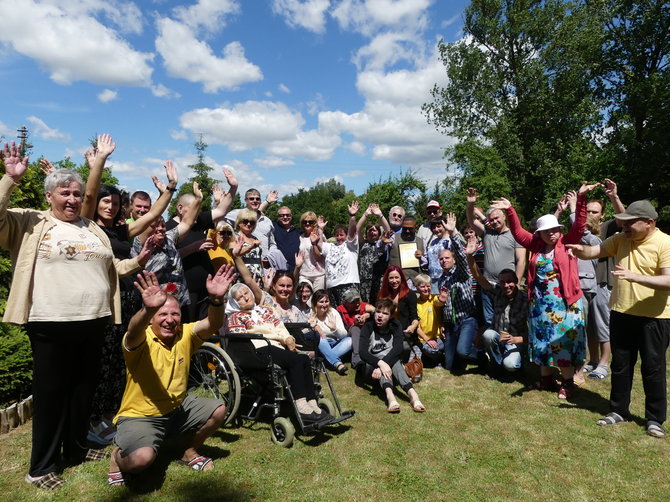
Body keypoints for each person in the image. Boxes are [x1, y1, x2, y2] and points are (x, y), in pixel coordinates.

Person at [0, 142, 139, 490]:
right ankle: (41, 466)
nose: (74, 200)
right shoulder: (30, 221)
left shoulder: (91, 228)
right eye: (66, 193)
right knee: (51, 394)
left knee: (82, 390)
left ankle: (76, 448)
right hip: (51, 322)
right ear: (50, 196)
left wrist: (141, 258)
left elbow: (113, 266)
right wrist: (9, 179)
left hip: (94, 319)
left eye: (77, 194)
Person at [108, 266, 237, 485]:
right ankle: (116, 457)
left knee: (218, 409)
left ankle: (188, 451)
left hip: (177, 408)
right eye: (162, 314)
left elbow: (213, 324)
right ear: (151, 318)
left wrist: (217, 300)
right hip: (141, 416)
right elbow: (132, 330)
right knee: (140, 461)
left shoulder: (183, 334)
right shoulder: (141, 339)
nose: (170, 319)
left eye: (175, 313)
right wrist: (147, 309)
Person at [567, 200, 670, 437]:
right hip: (622, 312)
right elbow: (595, 251)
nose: (624, 226)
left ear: (649, 223)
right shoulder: (621, 239)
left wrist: (635, 277)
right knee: (620, 366)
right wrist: (580, 250)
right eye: (623, 221)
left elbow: (668, 281)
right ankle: (618, 411)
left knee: (653, 369)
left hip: (655, 318)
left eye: (630, 222)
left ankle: (655, 419)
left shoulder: (665, 243)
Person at [491, 182, 598, 399]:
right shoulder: (536, 246)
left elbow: (578, 225)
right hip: (540, 306)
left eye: (555, 230)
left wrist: (582, 199)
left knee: (564, 343)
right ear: (539, 234)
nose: (552, 234)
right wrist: (510, 210)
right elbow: (518, 232)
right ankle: (547, 379)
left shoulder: (567, 242)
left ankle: (568, 382)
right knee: (542, 342)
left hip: (565, 305)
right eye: (547, 231)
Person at [225, 282, 332, 424]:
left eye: (246, 293)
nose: (245, 297)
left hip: (277, 346)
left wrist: (288, 338)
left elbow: (279, 326)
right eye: (239, 297)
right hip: (257, 348)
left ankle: (312, 403)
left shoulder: (266, 310)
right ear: (234, 302)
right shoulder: (235, 317)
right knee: (296, 361)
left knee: (304, 359)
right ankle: (301, 407)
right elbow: (239, 341)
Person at [167, 167, 237, 322]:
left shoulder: (198, 221)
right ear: (180, 208)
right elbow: (166, 257)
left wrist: (233, 187)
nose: (197, 213)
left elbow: (221, 210)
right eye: (194, 208)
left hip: (206, 290)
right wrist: (193, 248)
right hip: (184, 292)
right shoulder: (169, 228)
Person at [466, 238, 528, 377]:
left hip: (516, 340)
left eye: (509, 282)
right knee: (488, 334)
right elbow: (478, 277)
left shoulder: (526, 300)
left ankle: (517, 363)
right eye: (502, 282)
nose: (506, 286)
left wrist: (519, 339)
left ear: (516, 281)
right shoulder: (498, 292)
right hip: (498, 337)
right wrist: (470, 256)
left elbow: (536, 331)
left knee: (511, 365)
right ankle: (496, 365)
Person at [466, 188, 526, 328]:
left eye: (497, 218)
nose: (494, 221)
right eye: (491, 220)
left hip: (508, 286)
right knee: (489, 322)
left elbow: (521, 260)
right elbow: (471, 220)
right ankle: (493, 350)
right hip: (488, 287)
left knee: (509, 321)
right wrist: (470, 204)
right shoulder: (487, 233)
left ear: (504, 216)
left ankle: (511, 348)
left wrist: (516, 282)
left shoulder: (515, 235)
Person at [358, 298, 426, 413]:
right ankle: (391, 397)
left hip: (388, 365)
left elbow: (398, 349)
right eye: (378, 312)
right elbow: (363, 353)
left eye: (385, 313)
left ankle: (413, 396)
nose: (380, 316)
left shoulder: (395, 325)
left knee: (394, 361)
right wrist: (380, 364)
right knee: (389, 362)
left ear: (390, 316)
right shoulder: (367, 327)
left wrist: (384, 364)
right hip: (372, 369)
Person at [435, 214, 481, 373]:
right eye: (441, 259)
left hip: (466, 320)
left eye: (447, 258)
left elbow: (462, 257)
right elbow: (441, 305)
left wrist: (453, 233)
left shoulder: (462, 272)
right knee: (449, 365)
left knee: (463, 351)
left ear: (453, 259)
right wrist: (441, 306)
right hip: (450, 325)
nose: (444, 261)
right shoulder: (441, 280)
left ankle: (483, 357)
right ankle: (461, 356)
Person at [312, 200, 360, 306]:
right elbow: (319, 243)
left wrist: (352, 216)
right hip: (332, 287)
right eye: (337, 235)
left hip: (348, 285)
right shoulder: (330, 247)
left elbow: (352, 231)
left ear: (346, 235)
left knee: (350, 314)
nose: (339, 237)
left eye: (341, 235)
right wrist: (320, 228)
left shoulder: (351, 246)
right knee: (336, 314)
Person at [377, 266, 420, 361]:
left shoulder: (410, 295)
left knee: (404, 347)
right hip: (386, 332)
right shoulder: (382, 295)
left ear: (402, 278)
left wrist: (412, 327)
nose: (394, 281)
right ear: (387, 280)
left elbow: (414, 317)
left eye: (397, 277)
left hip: (404, 333)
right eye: (391, 278)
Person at [309, 289, 351, 375]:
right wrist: (312, 327)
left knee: (350, 340)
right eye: (321, 302)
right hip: (319, 344)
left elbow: (344, 335)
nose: (324, 304)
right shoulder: (310, 313)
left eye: (326, 301)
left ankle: (325, 359)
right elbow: (306, 334)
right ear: (315, 303)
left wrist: (334, 328)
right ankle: (337, 364)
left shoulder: (333, 312)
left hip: (334, 343)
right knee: (321, 337)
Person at [356, 203, 391, 303]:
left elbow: (388, 231)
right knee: (366, 306)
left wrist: (380, 215)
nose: (372, 232)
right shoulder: (362, 243)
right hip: (364, 282)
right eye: (370, 230)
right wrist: (365, 214)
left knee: (379, 305)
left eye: (375, 230)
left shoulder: (383, 243)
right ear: (366, 233)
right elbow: (357, 229)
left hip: (379, 281)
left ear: (379, 234)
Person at [336, 289, 375, 368]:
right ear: (345, 302)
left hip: (364, 335)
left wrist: (369, 314)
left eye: (358, 300)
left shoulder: (364, 306)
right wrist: (354, 324)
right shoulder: (340, 310)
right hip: (347, 336)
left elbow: (380, 312)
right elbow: (341, 330)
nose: (357, 304)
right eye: (353, 302)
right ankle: (356, 360)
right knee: (355, 329)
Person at [382, 215, 425, 286]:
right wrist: (382, 242)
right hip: (397, 282)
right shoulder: (393, 238)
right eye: (405, 228)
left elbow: (426, 264)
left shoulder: (421, 241)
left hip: (416, 282)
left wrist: (421, 257)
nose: (407, 231)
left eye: (410, 229)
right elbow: (380, 249)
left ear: (415, 227)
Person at [413, 274, 445, 367]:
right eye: (422, 286)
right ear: (417, 288)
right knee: (431, 350)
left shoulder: (434, 298)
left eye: (428, 286)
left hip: (437, 336)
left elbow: (439, 303)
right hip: (423, 338)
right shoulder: (415, 303)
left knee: (439, 348)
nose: (426, 289)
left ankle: (435, 358)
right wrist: (427, 340)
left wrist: (442, 300)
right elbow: (417, 328)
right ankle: (431, 359)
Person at [232, 209, 264, 285]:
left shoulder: (255, 238)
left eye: (252, 222)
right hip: (242, 278)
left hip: (258, 280)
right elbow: (235, 254)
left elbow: (259, 259)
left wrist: (263, 275)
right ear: (239, 222)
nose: (249, 224)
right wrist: (250, 247)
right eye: (245, 221)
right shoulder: (234, 237)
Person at [296, 212, 327, 290]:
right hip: (304, 274)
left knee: (318, 300)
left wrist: (314, 244)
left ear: (314, 223)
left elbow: (319, 257)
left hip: (319, 274)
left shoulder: (320, 235)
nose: (307, 224)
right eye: (304, 222)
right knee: (305, 300)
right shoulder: (300, 237)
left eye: (310, 222)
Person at [273, 205, 300, 272]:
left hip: (295, 269)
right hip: (277, 268)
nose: (285, 217)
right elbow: (256, 216)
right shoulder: (273, 227)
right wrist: (268, 202)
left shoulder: (298, 232)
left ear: (291, 216)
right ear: (278, 217)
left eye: (288, 215)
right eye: (282, 215)